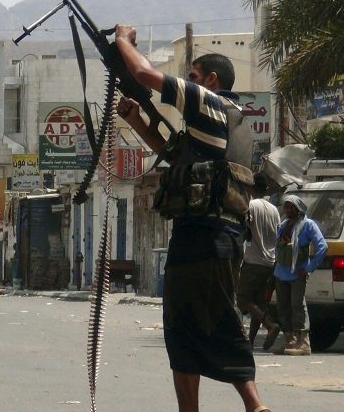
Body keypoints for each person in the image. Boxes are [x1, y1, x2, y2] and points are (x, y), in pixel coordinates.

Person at [115, 25, 272, 412]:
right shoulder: (232, 122)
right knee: (197, 324)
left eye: (194, 75)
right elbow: (173, 154)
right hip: (216, 237)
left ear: (211, 80)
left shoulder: (207, 102)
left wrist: (122, 41)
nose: (189, 81)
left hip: (203, 235)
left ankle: (254, 406)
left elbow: (144, 73)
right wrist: (137, 120)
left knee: (201, 324)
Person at [273, 195, 327, 356]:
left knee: (297, 306)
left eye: (291, 207)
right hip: (281, 272)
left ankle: (303, 343)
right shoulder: (283, 225)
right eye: (286, 207)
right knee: (283, 307)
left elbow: (322, 247)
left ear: (298, 208)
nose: (288, 210)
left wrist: (309, 267)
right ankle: (290, 341)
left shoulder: (308, 225)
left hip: (297, 273)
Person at [237, 174, 280, 350]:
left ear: (252, 188)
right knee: (258, 302)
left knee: (242, 299)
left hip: (253, 260)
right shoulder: (274, 210)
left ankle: (270, 325)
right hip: (270, 261)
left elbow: (245, 229)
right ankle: (251, 341)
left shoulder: (251, 205)